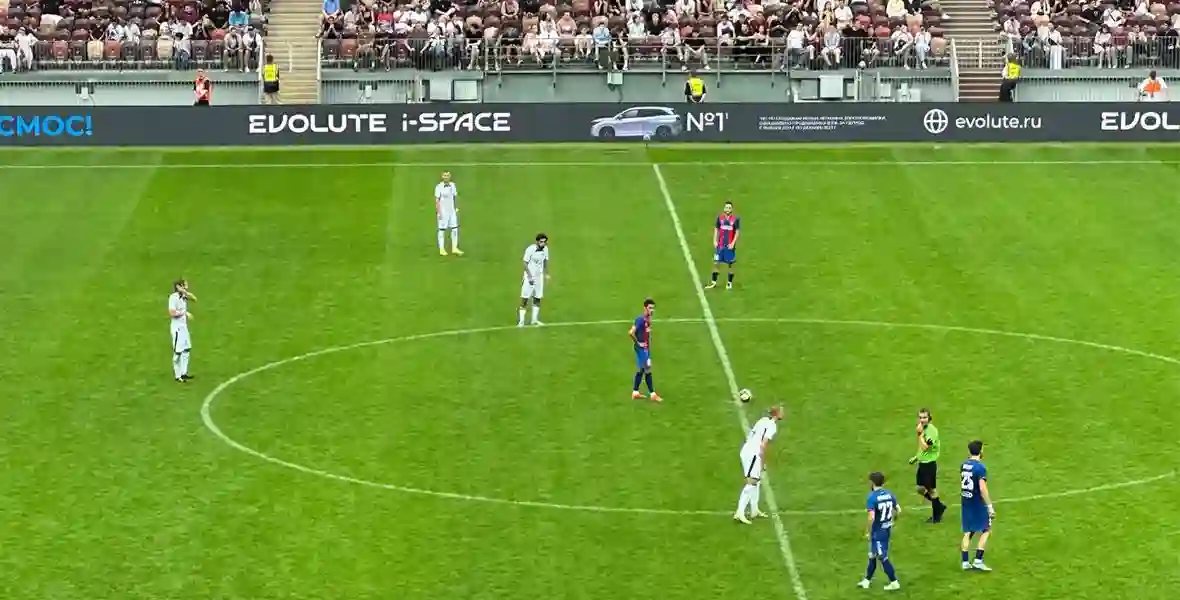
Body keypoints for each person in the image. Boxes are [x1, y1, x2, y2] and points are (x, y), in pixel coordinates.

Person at [734, 405, 783, 523]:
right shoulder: (772, 426)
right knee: (752, 482)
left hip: (748, 449)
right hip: (753, 453)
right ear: (776, 414)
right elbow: (763, 445)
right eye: (781, 411)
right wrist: (762, 461)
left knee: (757, 481)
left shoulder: (763, 420)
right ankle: (739, 512)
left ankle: (754, 510)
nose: (783, 413)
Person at [858, 472, 902, 591]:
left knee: (882, 557)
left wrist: (868, 531)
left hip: (878, 533)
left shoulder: (872, 497)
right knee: (872, 555)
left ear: (872, 482)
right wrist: (893, 520)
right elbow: (898, 510)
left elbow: (871, 517)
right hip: (886, 529)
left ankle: (894, 582)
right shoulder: (889, 494)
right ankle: (867, 581)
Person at [960, 440, 996, 571]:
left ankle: (965, 562)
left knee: (968, 531)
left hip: (966, 501)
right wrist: (990, 506)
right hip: (977, 503)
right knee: (987, 529)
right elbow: (982, 488)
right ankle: (978, 561)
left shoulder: (964, 465)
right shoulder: (980, 468)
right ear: (981, 451)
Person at [909, 408, 947, 522]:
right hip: (922, 463)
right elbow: (921, 450)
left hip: (929, 464)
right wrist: (916, 458)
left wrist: (919, 434)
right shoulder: (923, 428)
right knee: (920, 488)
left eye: (924, 417)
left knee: (932, 490)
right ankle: (939, 506)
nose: (922, 420)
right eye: (920, 417)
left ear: (929, 418)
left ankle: (936, 516)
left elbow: (925, 447)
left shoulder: (932, 431)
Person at [629, 298, 660, 402]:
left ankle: (635, 392)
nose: (652, 310)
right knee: (647, 369)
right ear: (645, 308)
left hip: (645, 348)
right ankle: (652, 394)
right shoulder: (640, 320)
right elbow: (631, 333)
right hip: (641, 348)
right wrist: (638, 343)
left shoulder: (648, 320)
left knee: (642, 369)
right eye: (650, 308)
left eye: (653, 308)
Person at [167, 279, 198, 382]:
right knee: (178, 352)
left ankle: (184, 373)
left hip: (184, 327)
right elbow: (172, 313)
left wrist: (186, 293)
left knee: (187, 349)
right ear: (178, 287)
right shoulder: (173, 298)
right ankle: (178, 375)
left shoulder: (183, 296)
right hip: (177, 329)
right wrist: (184, 313)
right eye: (184, 286)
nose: (186, 287)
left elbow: (194, 299)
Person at [705, 201, 740, 290]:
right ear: (724, 208)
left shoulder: (735, 219)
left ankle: (729, 283)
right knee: (716, 263)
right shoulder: (719, 218)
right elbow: (716, 229)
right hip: (720, 246)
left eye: (729, 208)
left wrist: (733, 243)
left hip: (729, 247)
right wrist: (714, 240)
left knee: (730, 265)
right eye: (726, 207)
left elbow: (737, 232)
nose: (727, 209)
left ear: (732, 209)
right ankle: (713, 282)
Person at [518, 234, 549, 327]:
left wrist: (546, 273)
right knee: (525, 298)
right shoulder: (530, 249)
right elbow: (525, 262)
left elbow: (545, 261)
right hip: (529, 277)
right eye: (541, 242)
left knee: (537, 298)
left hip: (539, 277)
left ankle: (534, 320)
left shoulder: (545, 249)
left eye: (544, 242)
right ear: (537, 242)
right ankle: (521, 322)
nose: (543, 243)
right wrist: (530, 276)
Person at [434, 171, 462, 256]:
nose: (446, 177)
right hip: (443, 212)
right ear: (442, 177)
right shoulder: (439, 187)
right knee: (442, 230)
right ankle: (441, 249)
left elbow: (454, 197)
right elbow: (437, 200)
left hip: (452, 211)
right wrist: (439, 212)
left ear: (450, 176)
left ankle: (454, 248)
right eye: (444, 175)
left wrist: (456, 207)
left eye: (447, 175)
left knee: (454, 229)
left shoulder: (453, 185)